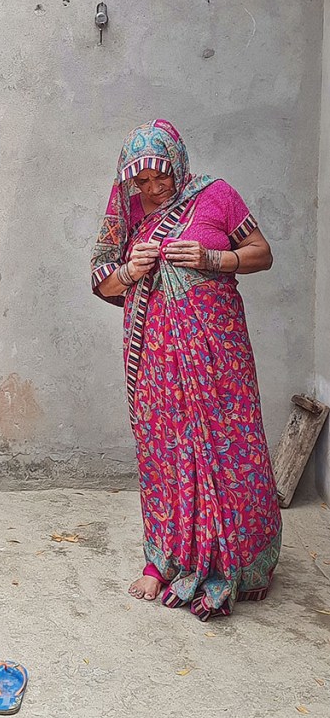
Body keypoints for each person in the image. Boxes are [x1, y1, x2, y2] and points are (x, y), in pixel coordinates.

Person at [91, 119, 281, 621]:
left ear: (178, 164)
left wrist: (212, 257)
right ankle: (164, 561)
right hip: (158, 358)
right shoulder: (128, 213)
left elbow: (262, 254)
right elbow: (103, 280)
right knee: (165, 451)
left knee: (231, 446)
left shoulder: (217, 196)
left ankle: (238, 561)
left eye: (162, 177)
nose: (154, 189)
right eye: (143, 181)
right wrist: (131, 270)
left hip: (220, 354)